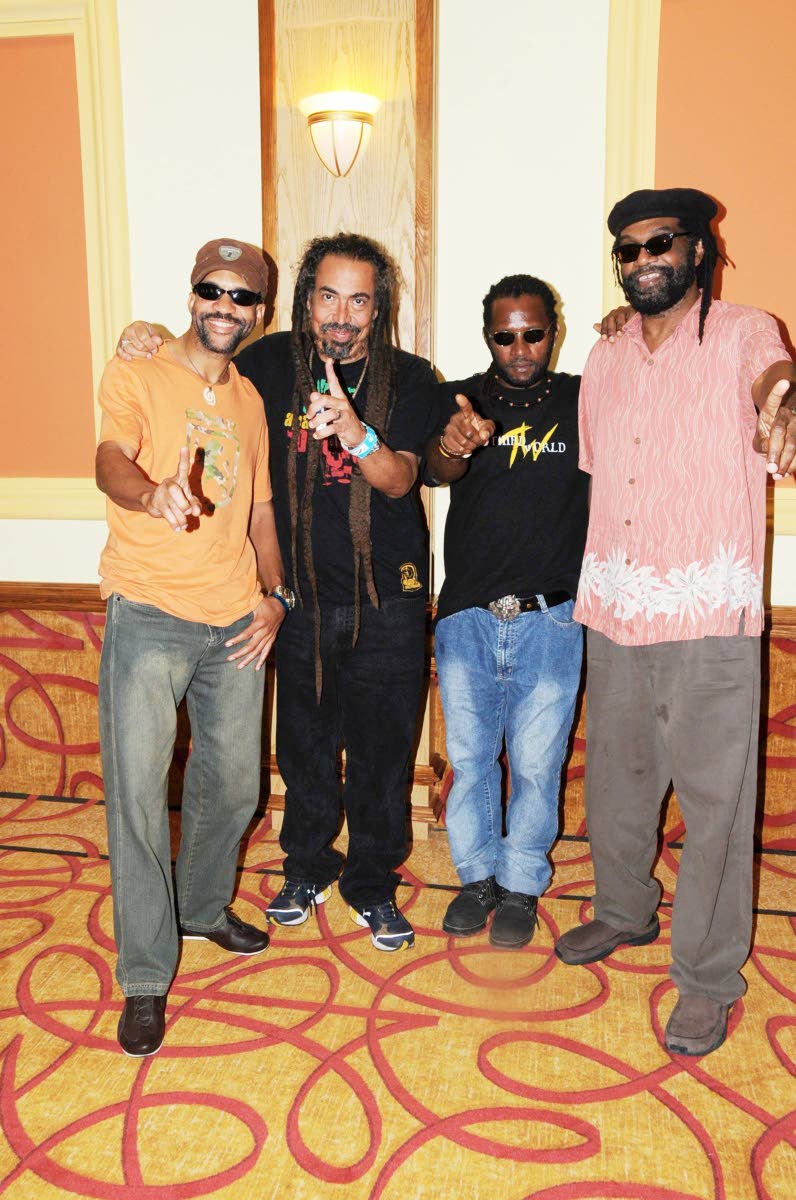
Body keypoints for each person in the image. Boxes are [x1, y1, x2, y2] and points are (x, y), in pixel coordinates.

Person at [116, 233, 440, 953]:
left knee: (384, 753)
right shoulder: (265, 365)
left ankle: (372, 881)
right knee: (303, 747)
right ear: (304, 300)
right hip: (297, 598)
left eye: (359, 300)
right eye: (328, 296)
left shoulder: (413, 377)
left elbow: (400, 480)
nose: (342, 315)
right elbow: (197, 359)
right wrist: (144, 335)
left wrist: (355, 433)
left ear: (379, 307)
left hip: (388, 598)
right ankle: (307, 866)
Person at [554, 188, 796, 1056]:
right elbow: (599, 468)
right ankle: (624, 909)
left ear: (699, 249)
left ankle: (707, 978)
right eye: (628, 248)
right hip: (615, 604)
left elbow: (775, 380)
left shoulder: (744, 331)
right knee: (617, 784)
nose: (644, 259)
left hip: (706, 613)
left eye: (661, 242)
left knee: (716, 804)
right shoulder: (607, 354)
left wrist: (784, 406)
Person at [97, 238, 289, 1056]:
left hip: (236, 617)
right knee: (138, 797)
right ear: (191, 295)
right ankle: (145, 974)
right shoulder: (137, 369)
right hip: (149, 612)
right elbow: (110, 460)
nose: (225, 306)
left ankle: (202, 908)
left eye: (242, 297)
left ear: (260, 313)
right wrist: (151, 495)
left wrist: (277, 596)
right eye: (213, 290)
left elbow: (261, 511)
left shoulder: (251, 400)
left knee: (236, 784)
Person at [424, 275, 588, 948]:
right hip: (466, 615)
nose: (520, 349)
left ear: (555, 330)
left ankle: (521, 883)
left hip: (552, 619)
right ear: (487, 336)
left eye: (533, 333)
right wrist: (453, 446)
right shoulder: (460, 399)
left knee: (538, 766)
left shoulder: (583, 398)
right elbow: (434, 469)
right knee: (470, 761)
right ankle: (477, 878)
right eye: (504, 336)